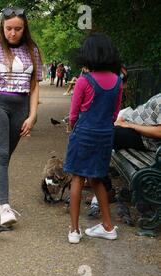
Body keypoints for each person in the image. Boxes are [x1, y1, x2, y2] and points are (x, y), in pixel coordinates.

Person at [0, 7, 43, 226]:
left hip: (21, 106)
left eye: (18, 29)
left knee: (6, 156)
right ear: (2, 27)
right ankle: (4, 208)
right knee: (1, 155)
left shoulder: (33, 50)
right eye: (8, 28)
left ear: (25, 29)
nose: (12, 33)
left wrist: (32, 115)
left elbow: (34, 86)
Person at [63, 33, 123, 244]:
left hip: (84, 134)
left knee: (77, 179)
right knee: (97, 179)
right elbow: (115, 114)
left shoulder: (83, 81)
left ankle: (74, 230)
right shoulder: (118, 82)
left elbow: (73, 114)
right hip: (105, 134)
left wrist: (73, 129)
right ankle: (108, 226)